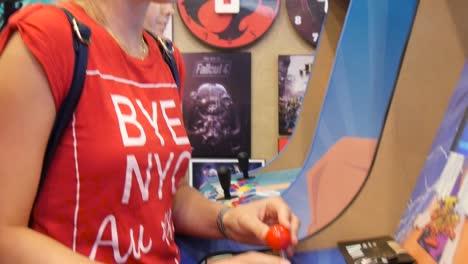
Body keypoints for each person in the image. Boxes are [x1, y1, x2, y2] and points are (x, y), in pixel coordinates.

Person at [0, 0, 300, 263]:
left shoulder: (168, 60)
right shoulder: (47, 38)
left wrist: (228, 220)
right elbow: (6, 238)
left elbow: (170, 196)